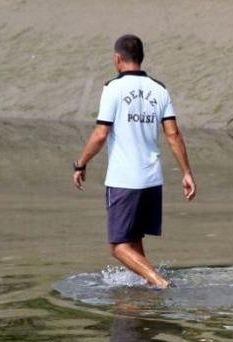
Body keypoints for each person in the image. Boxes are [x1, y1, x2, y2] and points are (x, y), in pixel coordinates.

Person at [73, 34, 196, 288]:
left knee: (118, 247)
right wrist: (186, 172)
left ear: (117, 59)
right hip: (152, 179)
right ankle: (141, 298)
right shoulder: (159, 89)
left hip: (124, 180)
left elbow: (100, 134)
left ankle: (160, 282)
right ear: (141, 57)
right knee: (134, 241)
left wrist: (80, 163)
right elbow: (173, 134)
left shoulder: (113, 88)